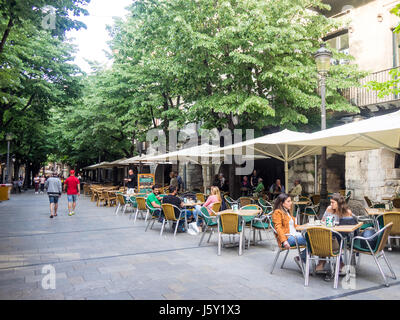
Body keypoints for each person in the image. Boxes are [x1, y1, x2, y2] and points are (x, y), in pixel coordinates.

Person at [315, 193, 354, 274]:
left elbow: (350, 227)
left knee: (334, 236)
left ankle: (323, 261)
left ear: (339, 203)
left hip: (342, 235)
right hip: (329, 233)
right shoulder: (329, 209)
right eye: (331, 202)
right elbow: (323, 221)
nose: (331, 204)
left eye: (333, 202)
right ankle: (333, 262)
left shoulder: (347, 212)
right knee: (320, 235)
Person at [271, 193, 307, 270]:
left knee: (313, 238)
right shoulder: (278, 212)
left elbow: (294, 226)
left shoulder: (287, 212)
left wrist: (307, 226)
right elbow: (278, 228)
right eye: (288, 201)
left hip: (295, 235)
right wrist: (284, 241)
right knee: (311, 240)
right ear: (282, 203)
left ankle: (302, 258)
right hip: (288, 238)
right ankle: (303, 258)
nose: (291, 203)